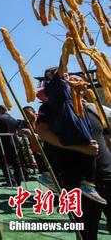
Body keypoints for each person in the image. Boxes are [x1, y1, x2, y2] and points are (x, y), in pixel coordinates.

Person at [37, 67, 105, 204]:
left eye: (79, 79)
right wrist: (83, 148)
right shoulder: (52, 106)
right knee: (85, 223)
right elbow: (43, 133)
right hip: (75, 177)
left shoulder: (94, 108)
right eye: (69, 79)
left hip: (105, 173)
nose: (76, 81)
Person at [0, 105, 24, 186]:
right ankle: (18, 181)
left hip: (4, 142)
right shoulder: (13, 119)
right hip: (14, 142)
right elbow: (17, 128)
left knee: (3, 162)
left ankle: (10, 181)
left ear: (0, 110)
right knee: (16, 162)